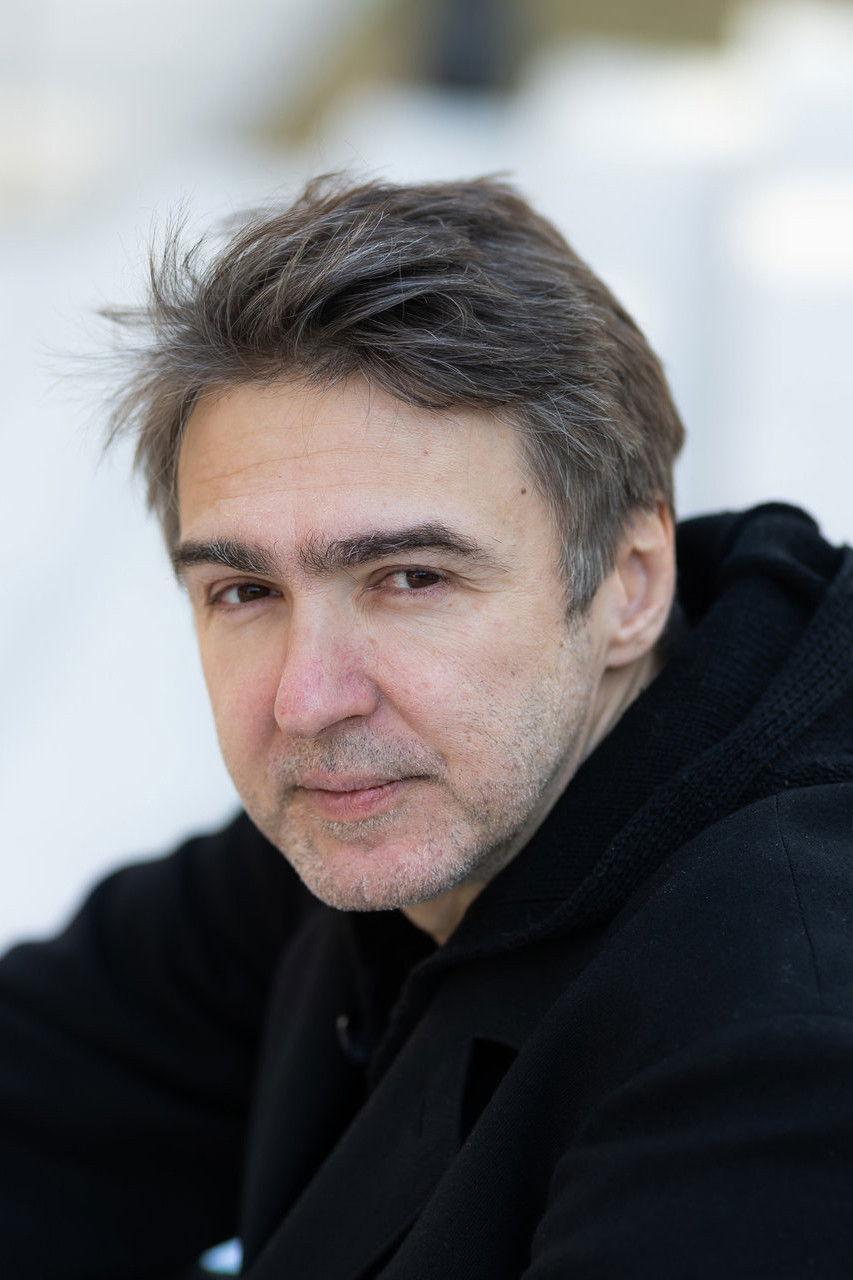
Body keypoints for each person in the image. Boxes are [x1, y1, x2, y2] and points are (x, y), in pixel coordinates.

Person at [1, 174, 851, 1280]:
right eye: (246, 592)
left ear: (630, 583)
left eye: (410, 577)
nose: (308, 699)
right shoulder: (384, 815)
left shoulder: (783, 1047)